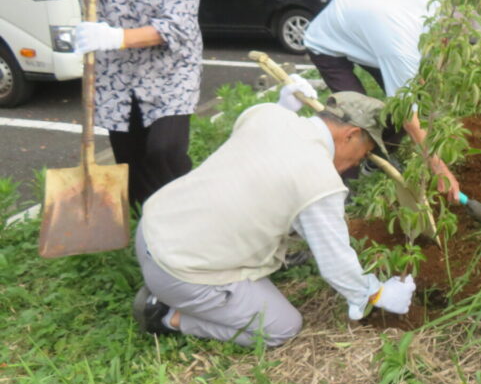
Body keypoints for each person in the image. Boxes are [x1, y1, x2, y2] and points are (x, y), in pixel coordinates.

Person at [133, 89, 416, 346]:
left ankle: (176, 289)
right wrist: (375, 293)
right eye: (363, 153)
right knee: (282, 327)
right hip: (180, 271)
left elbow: (258, 143)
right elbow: (336, 262)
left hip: (154, 226)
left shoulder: (268, 115)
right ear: (351, 134)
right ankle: (166, 314)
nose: (357, 163)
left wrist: (283, 104)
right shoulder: (319, 180)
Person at [14, 0, 201, 208]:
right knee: (130, 162)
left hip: (170, 77)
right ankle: (148, 232)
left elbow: (178, 26)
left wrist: (117, 37)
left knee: (164, 152)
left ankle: (187, 217)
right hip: (116, 80)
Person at [303, 0, 461, 200]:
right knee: (354, 121)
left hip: (366, 30)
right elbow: (408, 116)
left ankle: (378, 155)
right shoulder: (402, 47)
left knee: (411, 98)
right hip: (327, 40)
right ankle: (346, 189)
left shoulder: (441, 5)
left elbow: (413, 87)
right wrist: (440, 169)